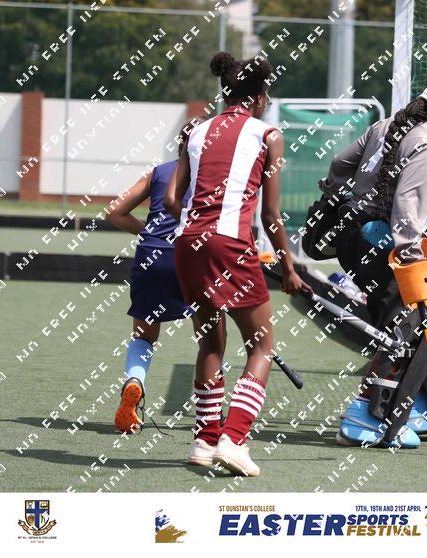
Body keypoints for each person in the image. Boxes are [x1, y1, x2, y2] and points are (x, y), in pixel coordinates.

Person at [165, 51, 311, 477]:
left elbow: (173, 199)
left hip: (186, 244)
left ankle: (204, 441)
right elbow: (271, 216)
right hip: (229, 245)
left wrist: (199, 229)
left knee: (210, 344)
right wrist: (288, 268)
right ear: (260, 97)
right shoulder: (269, 135)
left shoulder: (195, 131)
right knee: (261, 346)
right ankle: (234, 438)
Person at [317, 77, 427, 447]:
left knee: (420, 321)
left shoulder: (384, 125)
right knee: (404, 328)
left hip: (351, 239)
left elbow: (339, 164)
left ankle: (421, 409)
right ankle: (364, 416)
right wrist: (411, 259)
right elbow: (406, 211)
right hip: (384, 247)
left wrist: (335, 195)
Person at [106, 120, 219, 434]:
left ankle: (135, 381)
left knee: (143, 336)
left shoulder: (158, 173)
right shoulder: (215, 177)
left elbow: (115, 211)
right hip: (194, 257)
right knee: (210, 341)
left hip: (151, 256)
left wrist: (151, 233)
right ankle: (210, 416)